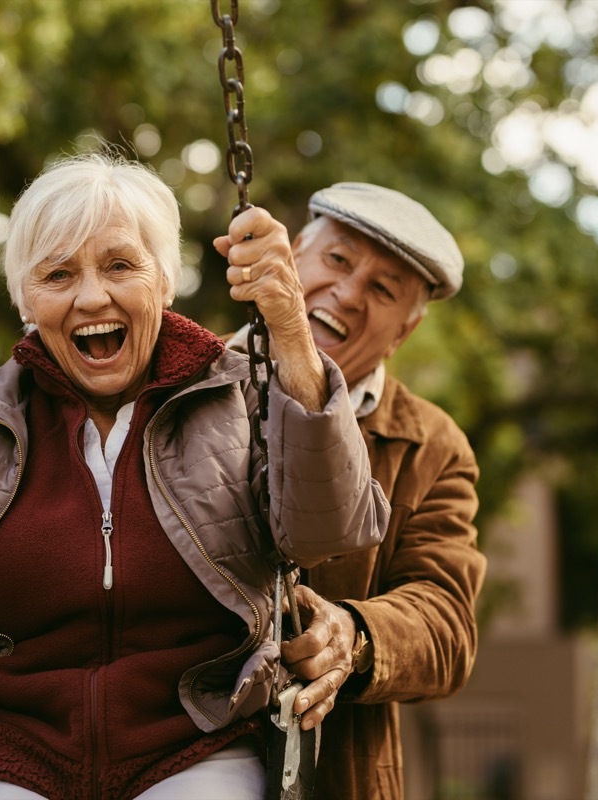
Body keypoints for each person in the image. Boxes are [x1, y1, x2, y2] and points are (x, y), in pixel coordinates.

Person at [0, 153, 390, 800]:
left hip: (197, 745)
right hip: (11, 754)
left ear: (163, 281)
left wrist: (291, 337)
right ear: (27, 299)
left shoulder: (236, 400)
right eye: (57, 274)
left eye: (120, 265)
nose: (91, 296)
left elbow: (327, 530)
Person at [222, 182, 487, 800]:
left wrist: (354, 633)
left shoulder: (433, 446)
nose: (347, 293)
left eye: (383, 289)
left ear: (406, 329)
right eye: (338, 260)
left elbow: (447, 624)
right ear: (293, 258)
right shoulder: (180, 382)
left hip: (334, 777)